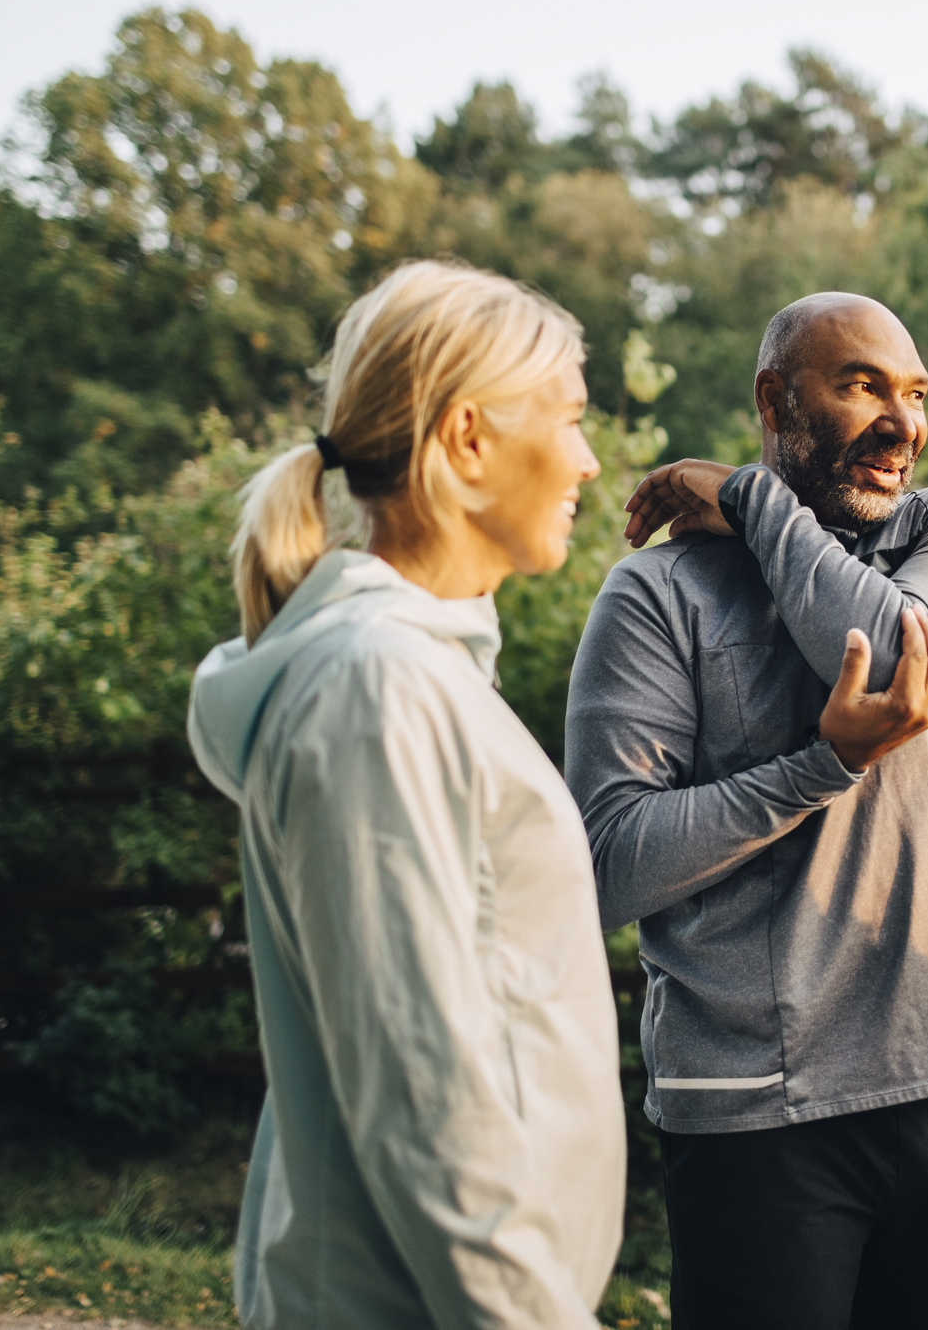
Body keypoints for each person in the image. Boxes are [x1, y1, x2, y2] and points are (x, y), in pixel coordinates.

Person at [564, 292, 928, 1329]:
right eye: (862, 386)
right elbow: (606, 862)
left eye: (914, 394)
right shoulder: (658, 596)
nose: (903, 424)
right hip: (748, 1113)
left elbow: (905, 653)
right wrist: (823, 764)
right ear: (777, 399)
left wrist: (747, 500)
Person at [187, 261, 624, 1330]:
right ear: (468, 441)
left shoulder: (416, 676)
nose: (589, 456)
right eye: (568, 418)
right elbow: (423, 1095)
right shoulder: (376, 688)